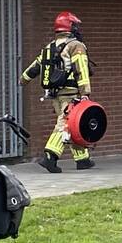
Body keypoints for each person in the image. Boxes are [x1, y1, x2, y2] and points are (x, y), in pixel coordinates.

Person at [20, 11, 94, 173]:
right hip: (71, 93)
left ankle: (83, 160)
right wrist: (85, 93)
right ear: (70, 27)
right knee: (65, 124)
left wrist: (23, 79)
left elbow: (35, 66)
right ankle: (50, 156)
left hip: (55, 94)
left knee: (74, 124)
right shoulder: (76, 46)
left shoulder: (50, 47)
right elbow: (81, 69)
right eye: (76, 25)